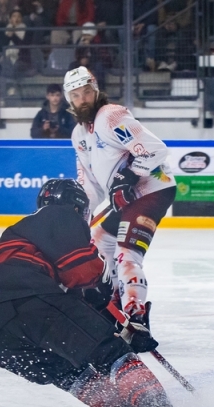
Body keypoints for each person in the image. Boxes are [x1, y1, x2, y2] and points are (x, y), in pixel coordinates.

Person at [0, 179, 200, 407]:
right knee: (111, 353)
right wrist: (121, 329)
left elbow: (77, 301)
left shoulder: (25, 234)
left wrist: (122, 326)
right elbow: (85, 273)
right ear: (78, 207)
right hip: (30, 304)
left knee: (74, 375)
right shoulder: (59, 215)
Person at [65, 66, 176, 328]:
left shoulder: (111, 116)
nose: (82, 99)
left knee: (126, 253)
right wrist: (79, 220)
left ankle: (136, 316)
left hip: (152, 189)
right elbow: (90, 185)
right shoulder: (79, 135)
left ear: (96, 91)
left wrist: (129, 175)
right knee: (99, 242)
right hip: (125, 199)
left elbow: (155, 150)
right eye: (76, 95)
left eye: (87, 92)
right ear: (70, 100)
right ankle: (114, 307)